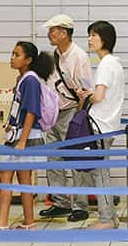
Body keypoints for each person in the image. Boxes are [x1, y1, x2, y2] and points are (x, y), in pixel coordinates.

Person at [38, 14, 94, 223]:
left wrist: (79, 117)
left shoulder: (78, 57)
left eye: (53, 30)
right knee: (53, 158)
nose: (49, 34)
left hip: (72, 111)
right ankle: (60, 202)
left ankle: (80, 205)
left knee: (76, 158)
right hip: (53, 113)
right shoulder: (54, 55)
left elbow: (86, 88)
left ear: (64, 33)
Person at [0, 41, 53, 229]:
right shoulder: (24, 78)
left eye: (17, 55)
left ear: (28, 60)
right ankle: (29, 221)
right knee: (23, 179)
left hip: (25, 137)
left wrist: (22, 141)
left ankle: (2, 222)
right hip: (19, 133)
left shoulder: (30, 80)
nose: (12, 58)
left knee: (5, 175)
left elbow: (32, 111)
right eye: (12, 54)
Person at [77, 20, 124, 229]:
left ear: (105, 38)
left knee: (100, 173)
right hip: (109, 123)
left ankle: (106, 219)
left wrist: (86, 95)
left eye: (94, 35)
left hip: (100, 125)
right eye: (89, 35)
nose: (89, 39)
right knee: (101, 170)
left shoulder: (105, 64)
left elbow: (99, 96)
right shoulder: (115, 63)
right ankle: (109, 216)